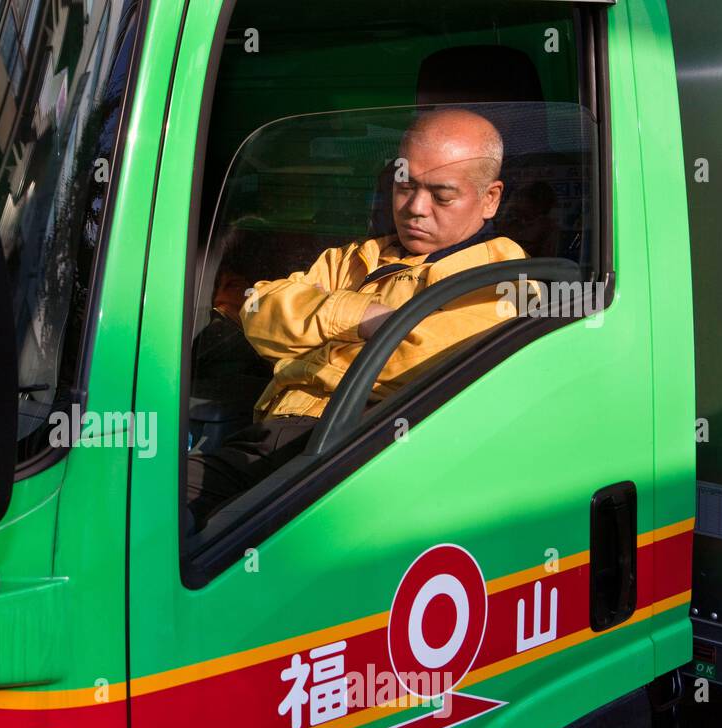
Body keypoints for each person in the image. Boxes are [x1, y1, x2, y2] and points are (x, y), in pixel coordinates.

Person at [187, 109, 529, 529]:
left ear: (490, 198)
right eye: (405, 186)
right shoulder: (354, 257)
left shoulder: (501, 274)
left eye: (441, 195)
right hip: (270, 436)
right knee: (148, 508)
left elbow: (414, 364)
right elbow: (259, 310)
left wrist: (310, 343)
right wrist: (362, 316)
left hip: (359, 450)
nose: (416, 209)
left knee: (216, 539)